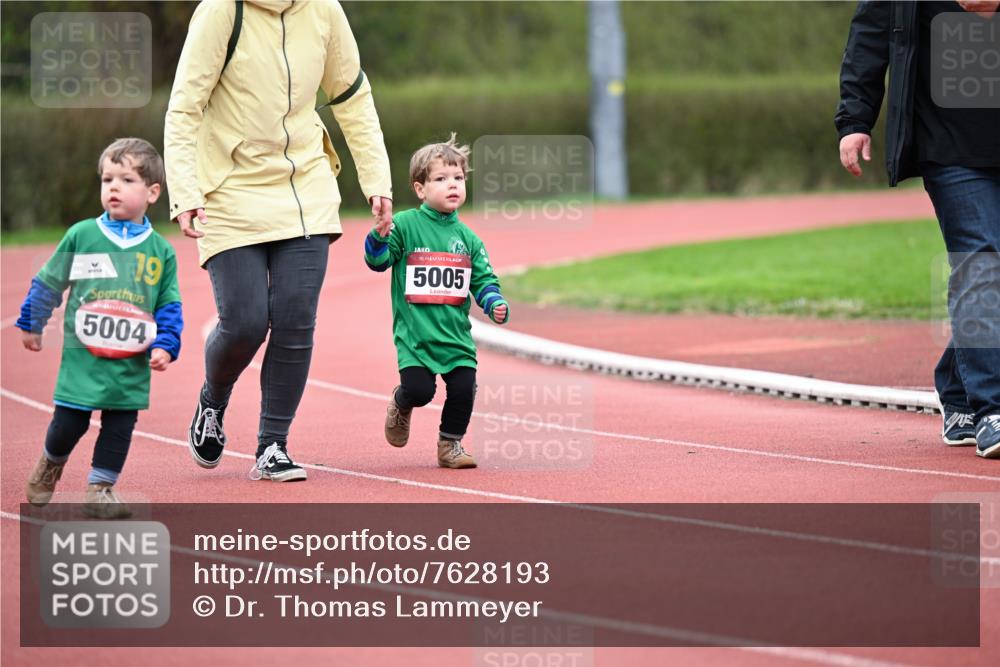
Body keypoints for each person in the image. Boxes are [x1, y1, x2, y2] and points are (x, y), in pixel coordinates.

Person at [164, 0, 393, 481]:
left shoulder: (324, 9)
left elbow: (352, 95)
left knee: (294, 318)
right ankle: (214, 398)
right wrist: (185, 192)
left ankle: (273, 446)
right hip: (229, 186)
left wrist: (376, 179)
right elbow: (186, 106)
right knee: (245, 321)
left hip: (306, 185)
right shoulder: (221, 10)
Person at [836, 0, 1000, 459]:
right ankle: (993, 407)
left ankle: (957, 385)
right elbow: (868, 38)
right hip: (947, 147)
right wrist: (854, 120)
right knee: (982, 258)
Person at [15, 138, 183, 518]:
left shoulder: (161, 251)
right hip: (82, 357)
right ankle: (51, 462)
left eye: (126, 180)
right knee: (69, 422)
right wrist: (32, 321)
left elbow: (169, 303)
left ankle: (100, 489)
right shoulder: (83, 235)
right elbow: (49, 281)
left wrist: (167, 344)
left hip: (131, 360)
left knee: (120, 425)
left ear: (152, 192)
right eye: (107, 179)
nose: (113, 187)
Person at [364, 135, 509, 468]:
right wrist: (378, 237)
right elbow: (378, 262)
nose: (452, 185)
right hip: (415, 336)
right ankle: (401, 403)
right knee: (420, 391)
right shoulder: (404, 225)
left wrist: (493, 302)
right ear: (420, 189)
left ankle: (450, 445)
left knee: (463, 389)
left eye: (458, 178)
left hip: (455, 336)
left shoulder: (469, 238)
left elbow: (484, 279)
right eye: (441, 179)